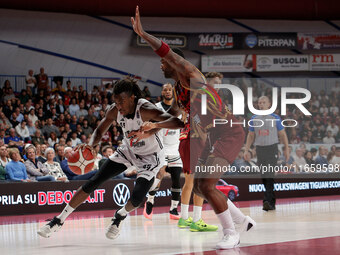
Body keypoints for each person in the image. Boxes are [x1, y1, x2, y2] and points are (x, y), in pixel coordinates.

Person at [131, 6, 255, 249]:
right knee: (199, 184)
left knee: (206, 184)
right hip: (212, 136)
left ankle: (231, 233)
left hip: (229, 132)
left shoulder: (192, 76)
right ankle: (242, 220)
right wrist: (153, 127)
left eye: (163, 63)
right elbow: (177, 117)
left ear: (172, 62)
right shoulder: (178, 89)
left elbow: (167, 52)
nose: (160, 67)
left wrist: (144, 35)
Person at [37, 77, 184, 239]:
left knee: (137, 199)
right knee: (93, 181)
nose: (118, 106)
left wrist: (154, 126)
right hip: (128, 151)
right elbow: (100, 131)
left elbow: (177, 123)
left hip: (151, 157)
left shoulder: (146, 109)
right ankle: (59, 220)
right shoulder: (114, 110)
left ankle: (119, 215)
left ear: (132, 98)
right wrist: (91, 146)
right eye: (116, 101)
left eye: (122, 102)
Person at [143, 83, 183, 220]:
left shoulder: (180, 108)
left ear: (173, 92)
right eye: (165, 89)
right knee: (160, 173)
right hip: (161, 146)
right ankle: (150, 200)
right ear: (162, 92)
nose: (167, 91)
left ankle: (173, 209)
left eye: (170, 89)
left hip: (176, 146)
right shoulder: (157, 108)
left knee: (177, 179)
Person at [245, 96, 289, 211]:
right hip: (260, 149)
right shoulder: (254, 118)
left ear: (269, 104)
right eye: (260, 102)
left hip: (272, 149)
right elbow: (250, 135)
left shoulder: (275, 117)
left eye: (264, 102)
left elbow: (283, 134)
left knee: (269, 175)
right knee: (265, 177)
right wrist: (246, 150)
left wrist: (286, 149)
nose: (261, 104)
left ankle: (266, 201)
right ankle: (271, 202)